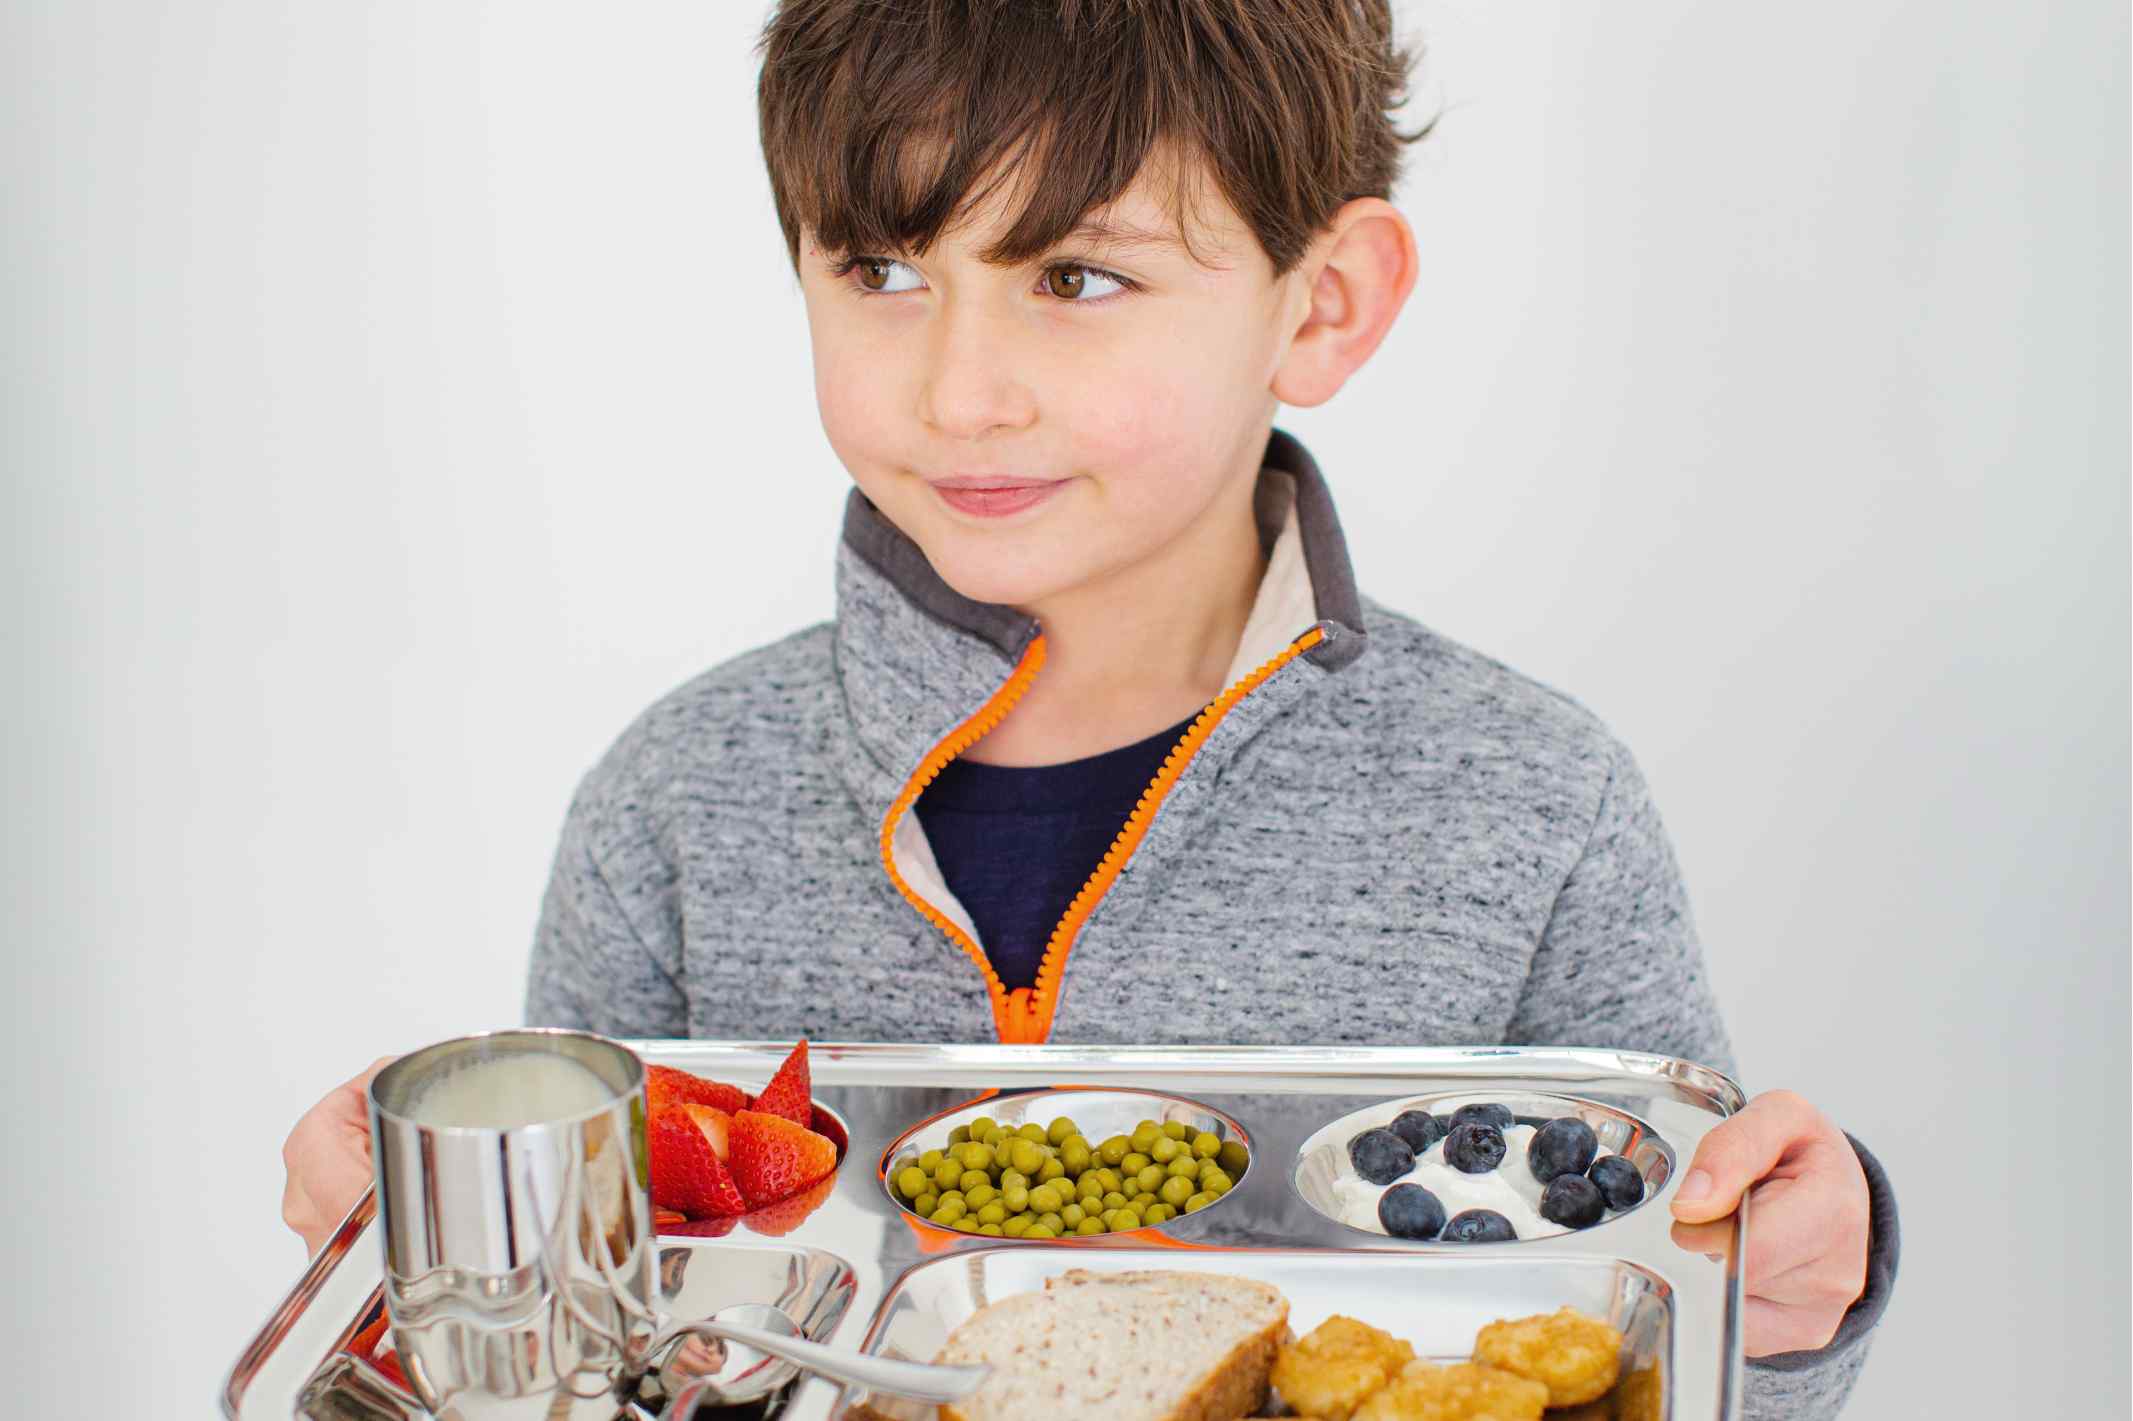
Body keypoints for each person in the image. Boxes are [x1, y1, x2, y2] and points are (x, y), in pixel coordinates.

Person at [279, 2, 1897, 1413]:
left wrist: (1793, 1292)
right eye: (885, 267)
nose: (958, 388)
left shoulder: (1535, 803)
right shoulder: (674, 805)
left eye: (1074, 274)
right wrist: (434, 1267)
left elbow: (1657, 1334)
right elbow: (600, 1362)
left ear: (1319, 303)